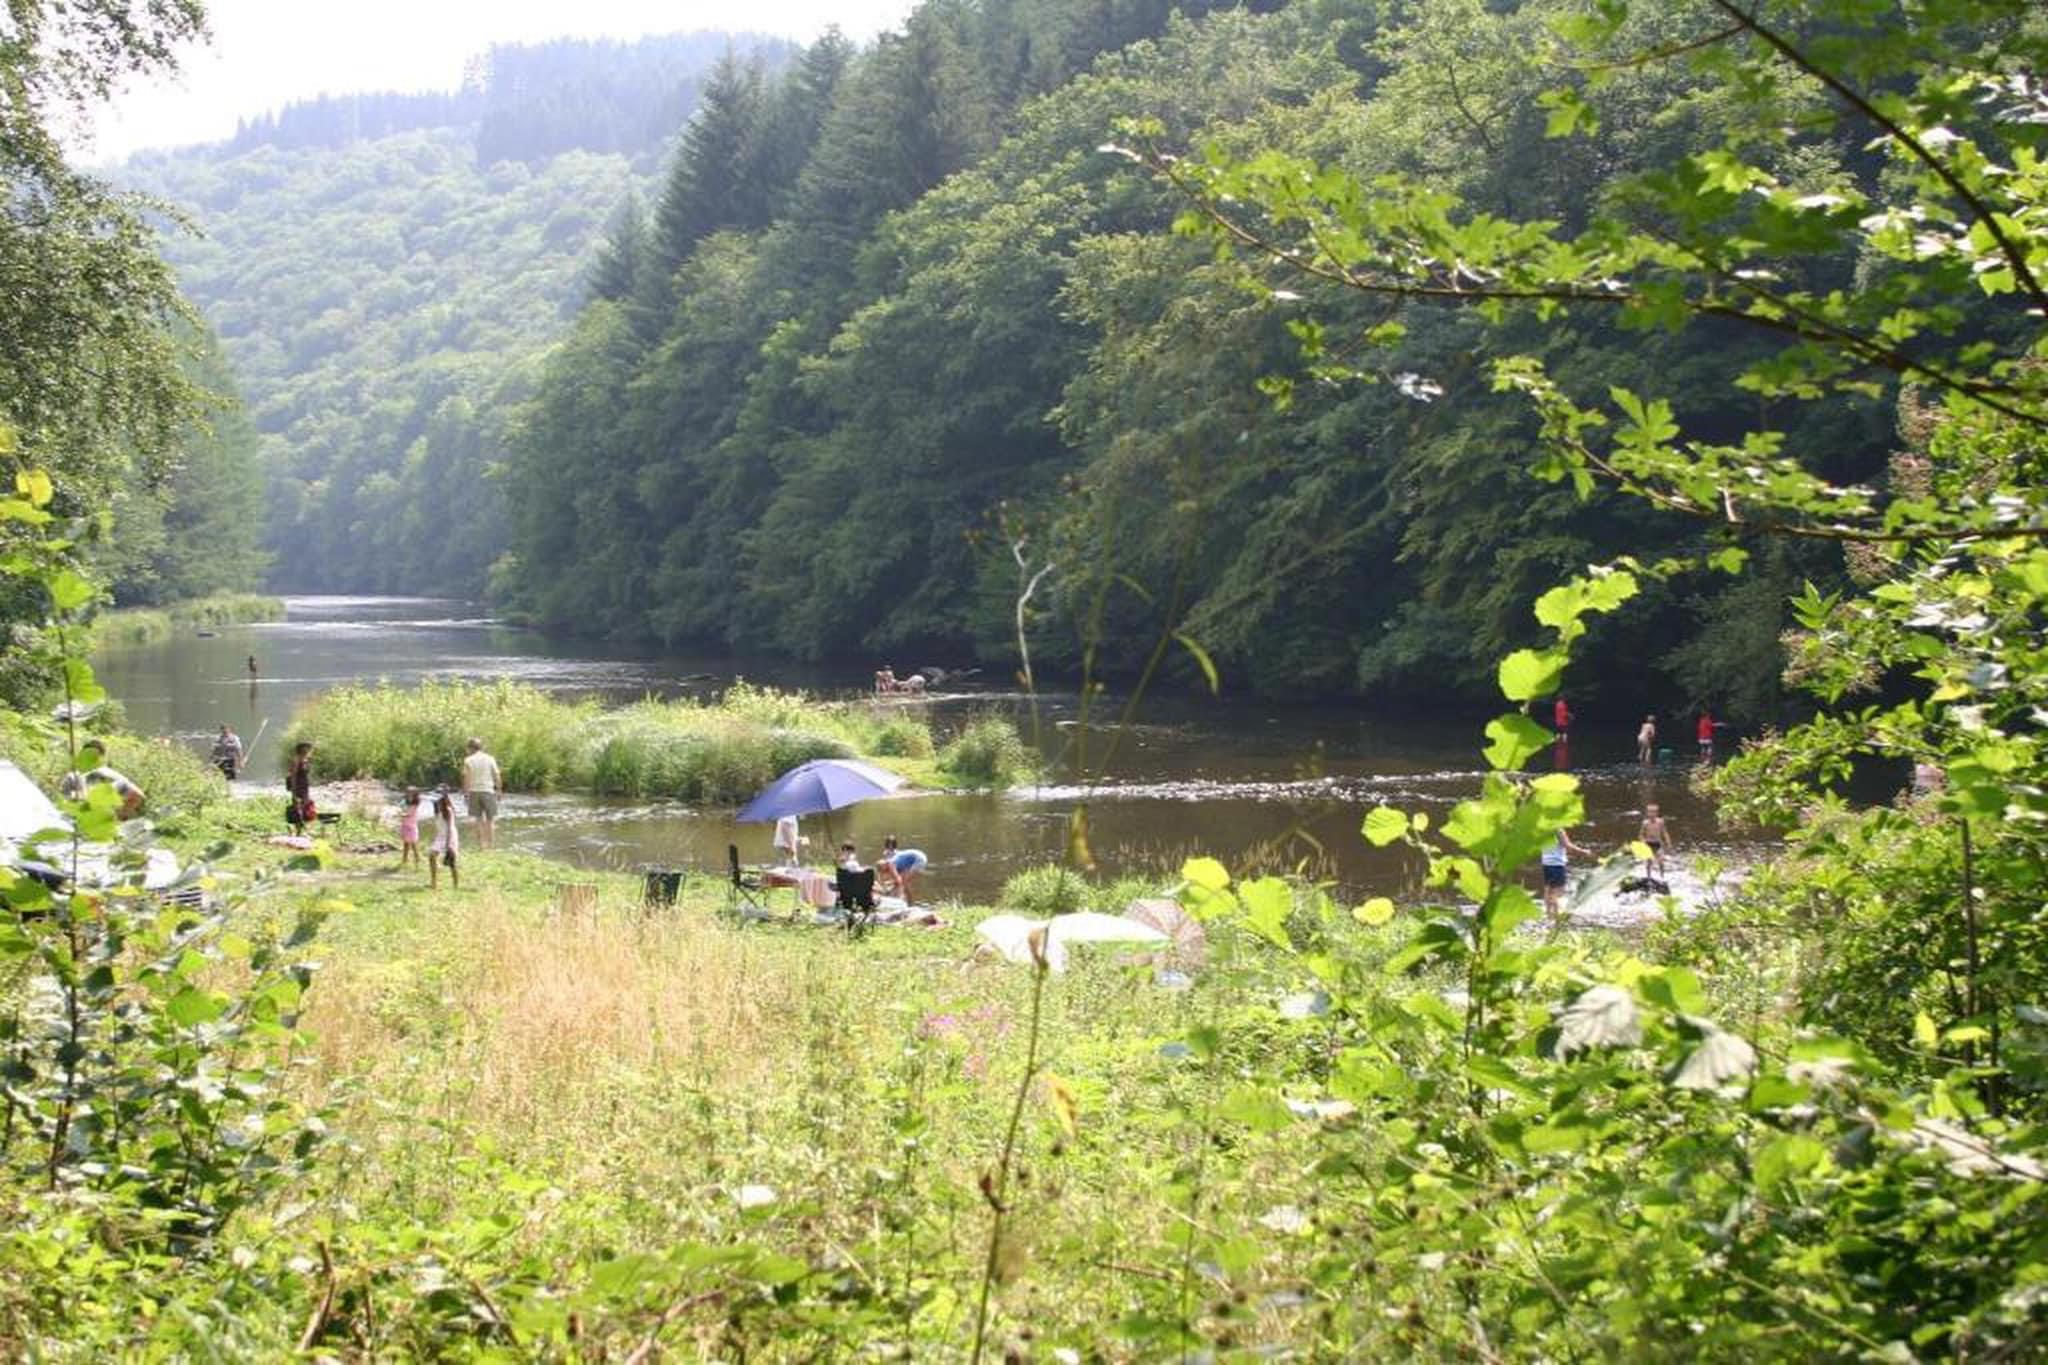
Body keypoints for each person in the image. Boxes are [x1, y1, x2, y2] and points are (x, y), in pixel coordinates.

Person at [58, 739, 145, 818]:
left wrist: (117, 814)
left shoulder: (108, 774)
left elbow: (138, 795)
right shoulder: (73, 776)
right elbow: (62, 801)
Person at [1540, 827, 1593, 918]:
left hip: (1546, 864)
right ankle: (1556, 917)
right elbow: (1568, 846)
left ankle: (1549, 914)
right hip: (1557, 865)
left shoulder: (1543, 829)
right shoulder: (1558, 830)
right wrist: (1584, 852)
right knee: (1556, 892)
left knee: (1548, 890)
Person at [461, 737, 501, 851]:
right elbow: (497, 775)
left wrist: (466, 794)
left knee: (478, 820)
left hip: (474, 792)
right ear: (481, 747)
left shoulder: (468, 760)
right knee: (490, 820)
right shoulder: (490, 758)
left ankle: (481, 847)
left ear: (470, 748)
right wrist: (499, 790)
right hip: (488, 791)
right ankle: (491, 846)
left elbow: (466, 778)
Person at [878, 835, 928, 904]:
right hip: (917, 859)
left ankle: (910, 903)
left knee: (904, 882)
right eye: (889, 844)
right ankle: (906, 901)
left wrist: (887, 886)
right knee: (902, 881)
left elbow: (898, 879)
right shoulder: (890, 859)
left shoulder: (891, 863)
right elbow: (898, 875)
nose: (890, 846)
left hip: (919, 859)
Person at [429, 787, 459, 890]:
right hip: (440, 836)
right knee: (431, 856)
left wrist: (448, 844)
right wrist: (434, 838)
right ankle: (434, 883)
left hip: (450, 836)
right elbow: (438, 827)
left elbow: (450, 828)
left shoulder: (448, 811)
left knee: (451, 862)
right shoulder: (437, 811)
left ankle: (455, 885)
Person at [287, 741, 315, 832]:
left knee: (306, 807)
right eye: (307, 749)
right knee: (297, 809)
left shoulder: (305, 761)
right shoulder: (296, 761)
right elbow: (293, 776)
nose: (309, 751)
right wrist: (293, 792)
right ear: (302, 750)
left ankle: (302, 829)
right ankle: (298, 831)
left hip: (304, 787)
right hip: (298, 788)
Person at [1638, 803, 1671, 879]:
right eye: (1650, 812)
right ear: (1647, 813)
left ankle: (1662, 877)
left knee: (1661, 861)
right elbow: (1641, 835)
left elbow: (1664, 833)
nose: (1652, 814)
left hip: (1658, 844)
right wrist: (1643, 842)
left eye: (1654, 812)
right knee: (1649, 862)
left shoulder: (1660, 822)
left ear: (1657, 813)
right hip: (1648, 844)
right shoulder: (1645, 823)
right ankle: (1648, 877)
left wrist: (1668, 842)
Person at [397, 786, 423, 869]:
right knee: (406, 843)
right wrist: (399, 810)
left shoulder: (415, 804)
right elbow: (400, 807)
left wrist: (401, 814)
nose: (408, 794)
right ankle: (404, 859)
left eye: (411, 793)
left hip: (411, 825)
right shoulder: (405, 801)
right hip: (405, 824)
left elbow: (410, 814)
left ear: (415, 795)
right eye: (407, 792)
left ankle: (417, 859)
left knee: (413, 843)